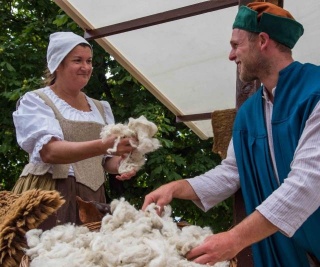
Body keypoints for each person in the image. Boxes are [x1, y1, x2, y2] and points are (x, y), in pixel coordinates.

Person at [142, 2, 320, 267]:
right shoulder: (249, 113)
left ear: (262, 40)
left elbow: (308, 182)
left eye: (236, 45)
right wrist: (177, 187)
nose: (230, 55)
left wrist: (235, 238)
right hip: (288, 253)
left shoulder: (316, 92)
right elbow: (232, 172)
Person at [12, 32, 136, 230]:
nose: (86, 67)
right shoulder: (36, 101)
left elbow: (104, 160)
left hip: (92, 197)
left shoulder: (101, 108)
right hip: (49, 193)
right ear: (58, 64)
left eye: (89, 61)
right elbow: (49, 151)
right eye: (77, 60)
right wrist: (106, 144)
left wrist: (122, 164)